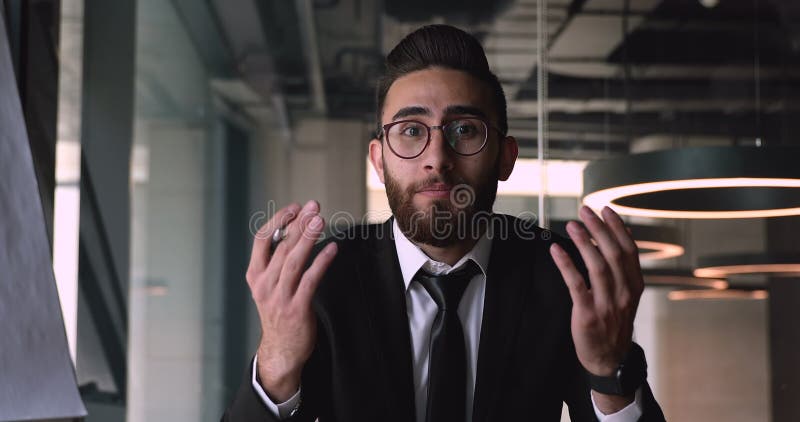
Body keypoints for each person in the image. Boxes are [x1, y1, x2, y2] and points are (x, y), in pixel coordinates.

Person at [222, 24, 664, 422]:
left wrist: (610, 372)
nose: (437, 158)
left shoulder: (564, 276)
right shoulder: (322, 279)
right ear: (379, 159)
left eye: (465, 130)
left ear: (506, 157)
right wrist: (277, 362)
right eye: (412, 130)